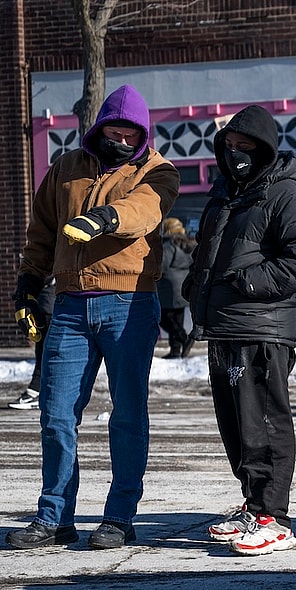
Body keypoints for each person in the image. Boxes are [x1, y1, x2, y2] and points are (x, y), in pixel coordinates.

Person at [7, 84, 180, 550]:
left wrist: (104, 219)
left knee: (126, 415)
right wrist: (27, 283)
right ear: (98, 128)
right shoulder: (66, 168)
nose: (120, 142)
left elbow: (144, 211)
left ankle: (120, 518)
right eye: (113, 133)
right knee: (56, 413)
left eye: (130, 135)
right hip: (70, 305)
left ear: (142, 136)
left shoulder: (158, 171)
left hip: (129, 304)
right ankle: (54, 517)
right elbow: (42, 229)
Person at [183, 104, 296, 556]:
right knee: (236, 426)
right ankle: (253, 503)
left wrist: (248, 282)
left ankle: (274, 517)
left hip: (262, 328)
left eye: (246, 148)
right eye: (230, 146)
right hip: (223, 327)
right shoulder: (225, 195)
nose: (236, 155)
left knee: (263, 420)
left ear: (265, 151)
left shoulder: (287, 193)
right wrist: (195, 285)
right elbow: (210, 254)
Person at [9, 277, 55, 410]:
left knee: (45, 352)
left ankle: (36, 391)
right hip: (45, 304)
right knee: (43, 351)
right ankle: (38, 391)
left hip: (49, 305)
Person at [157, 217, 195, 359]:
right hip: (184, 285)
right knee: (177, 318)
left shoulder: (168, 244)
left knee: (164, 318)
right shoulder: (188, 243)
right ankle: (175, 350)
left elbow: (162, 265)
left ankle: (184, 338)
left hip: (169, 287)